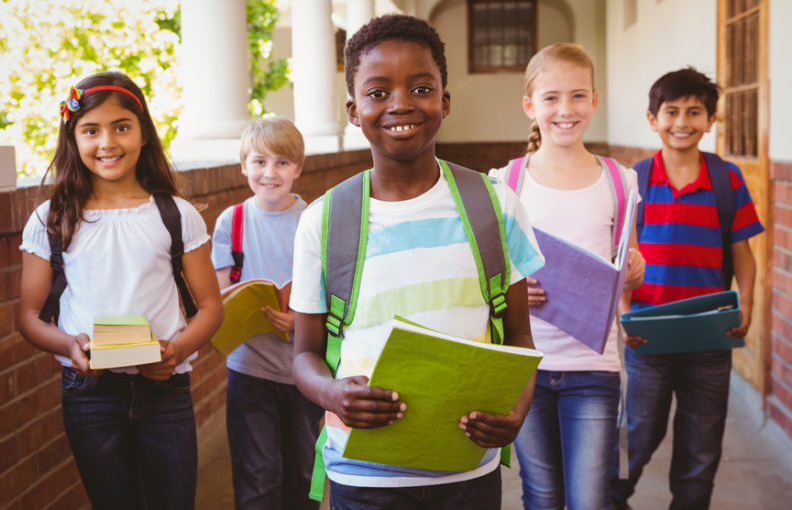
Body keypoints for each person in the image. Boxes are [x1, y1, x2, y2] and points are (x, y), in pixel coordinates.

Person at [289, 14, 545, 510]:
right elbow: (305, 355)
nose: (401, 104)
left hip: (468, 470)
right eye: (378, 92)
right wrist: (330, 393)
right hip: (365, 479)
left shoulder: (495, 206)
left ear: (445, 102)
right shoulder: (323, 221)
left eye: (421, 87)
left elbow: (519, 338)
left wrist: (517, 409)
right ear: (352, 109)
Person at [17, 71, 224, 510]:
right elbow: (29, 317)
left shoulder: (176, 214)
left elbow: (210, 306)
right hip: (89, 392)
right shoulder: (50, 219)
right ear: (72, 138)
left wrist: (176, 350)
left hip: (164, 389)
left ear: (144, 133)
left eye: (121, 127)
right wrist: (69, 344)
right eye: (91, 130)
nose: (107, 142)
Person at [488, 43, 646, 510]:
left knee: (590, 500)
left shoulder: (620, 180)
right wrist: (513, 289)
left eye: (578, 96)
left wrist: (634, 269)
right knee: (541, 497)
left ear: (595, 101)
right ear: (530, 106)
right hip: (526, 367)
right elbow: (489, 277)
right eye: (551, 97)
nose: (565, 110)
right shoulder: (507, 182)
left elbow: (626, 266)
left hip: (594, 368)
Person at [609, 67, 764, 510]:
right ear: (651, 118)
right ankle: (609, 499)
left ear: (711, 121)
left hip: (710, 338)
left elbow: (743, 251)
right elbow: (623, 256)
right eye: (671, 111)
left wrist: (746, 307)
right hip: (649, 335)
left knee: (701, 446)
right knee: (636, 435)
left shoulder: (726, 178)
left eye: (694, 112)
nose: (682, 121)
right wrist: (625, 312)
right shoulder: (634, 180)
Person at [210, 117, 323, 510]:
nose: (269, 173)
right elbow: (221, 295)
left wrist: (298, 321)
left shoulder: (314, 221)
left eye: (281, 163)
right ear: (244, 166)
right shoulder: (232, 221)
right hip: (249, 372)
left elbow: (331, 296)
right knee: (256, 478)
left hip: (302, 372)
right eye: (259, 162)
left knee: (303, 474)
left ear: (298, 168)